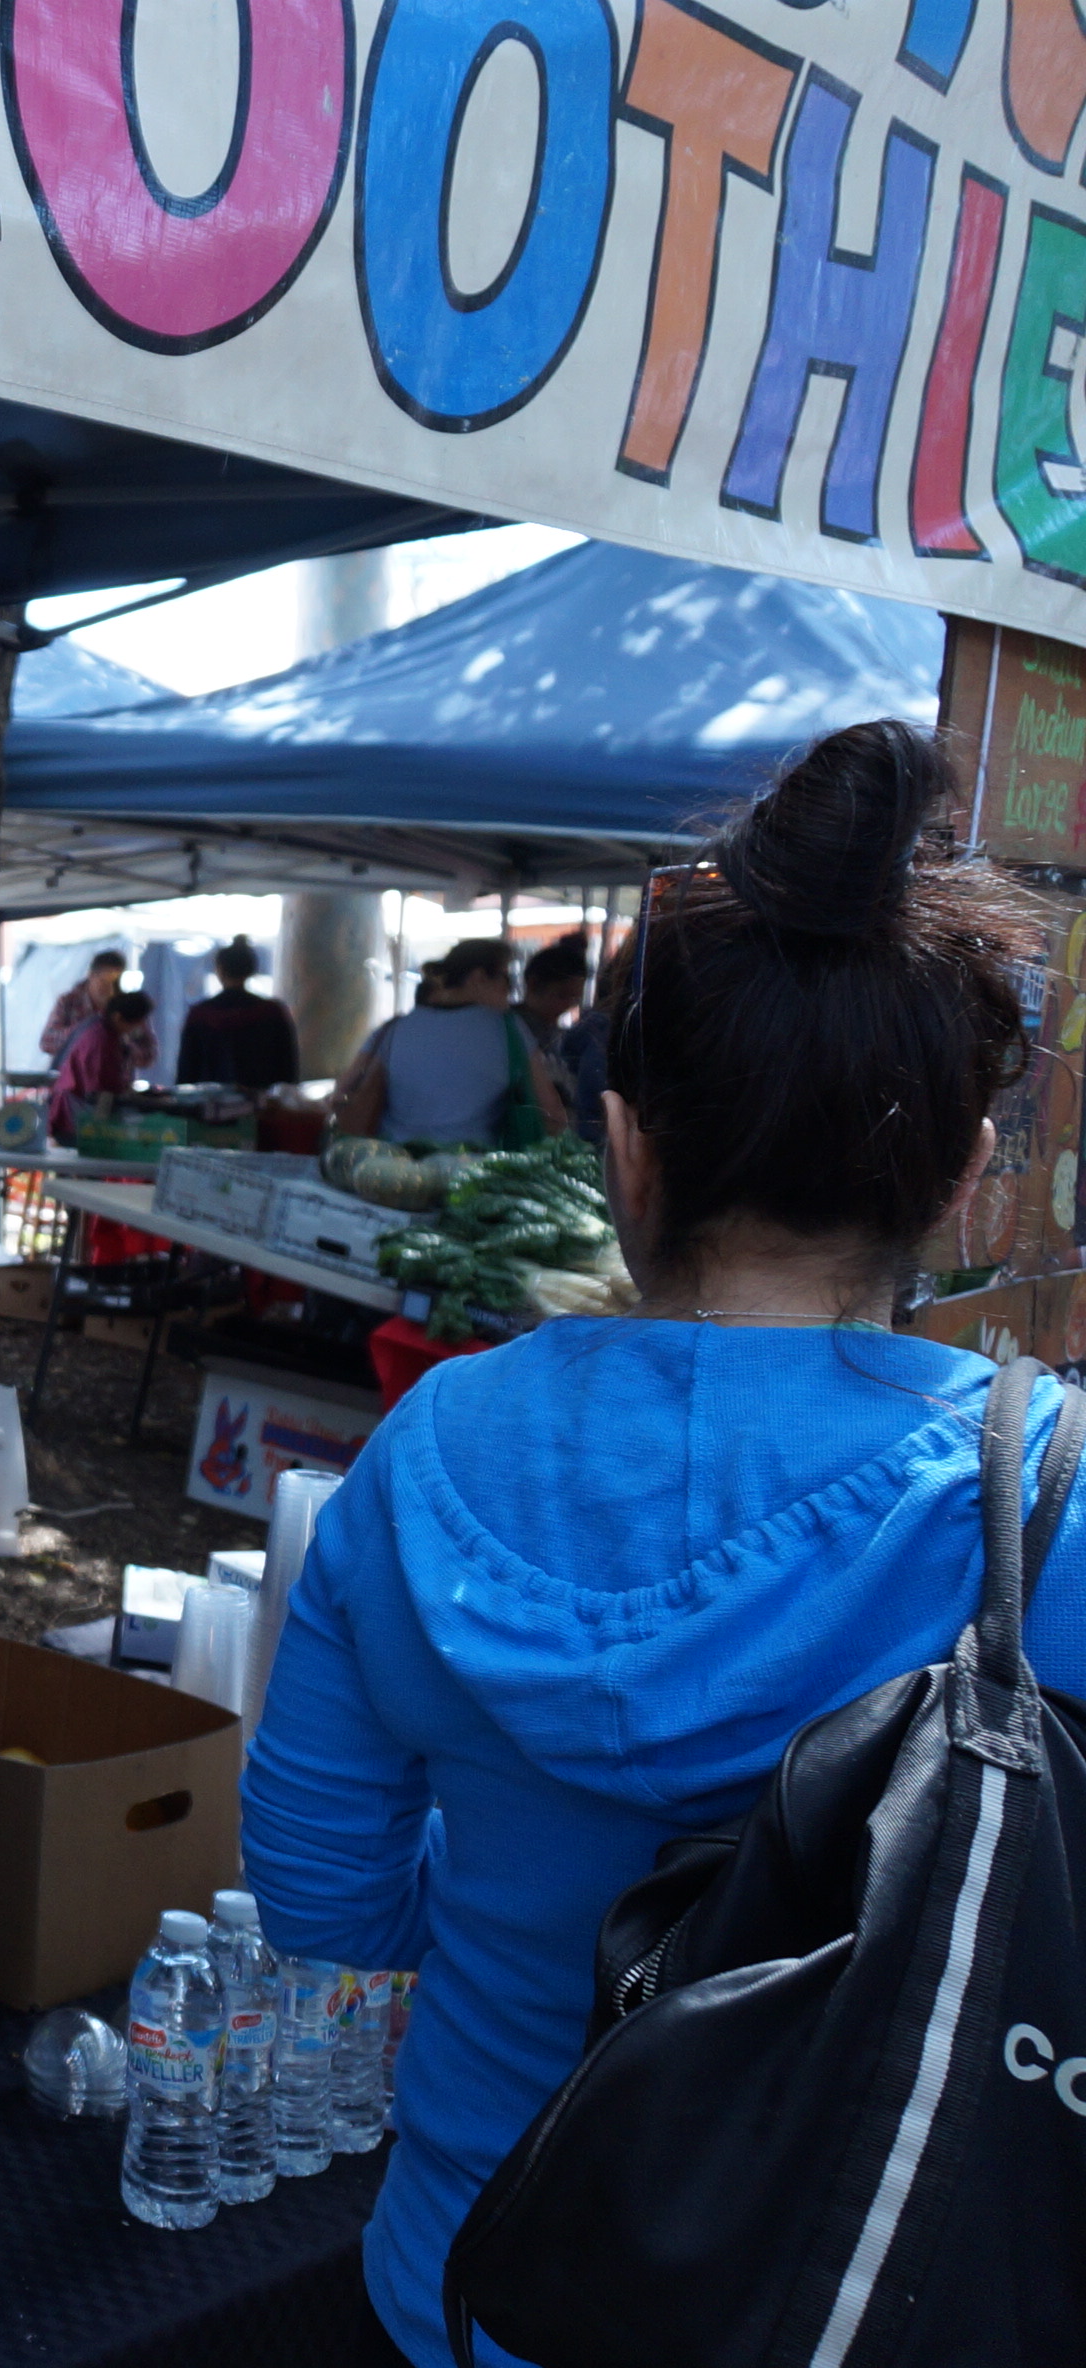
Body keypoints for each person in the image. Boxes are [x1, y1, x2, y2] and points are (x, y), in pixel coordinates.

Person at [240, 720, 1086, 2367]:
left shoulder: (429, 1447)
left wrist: (532, 1897)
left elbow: (324, 1897)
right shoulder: (1045, 1497)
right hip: (868, 2296)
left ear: (625, 1143)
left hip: (477, 2278)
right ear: (964, 1179)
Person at [334, 938, 566, 1144]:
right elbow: (551, 1111)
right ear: (478, 977)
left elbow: (343, 1090)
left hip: (391, 1162)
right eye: (507, 977)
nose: (511, 988)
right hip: (470, 1167)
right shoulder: (510, 1029)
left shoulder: (394, 1028)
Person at [172, 937, 302, 1091]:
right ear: (251, 969)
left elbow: (186, 1072)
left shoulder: (200, 1014)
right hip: (262, 1101)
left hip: (211, 1102)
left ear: (219, 970)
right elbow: (288, 1068)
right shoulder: (272, 1011)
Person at [45, 990, 154, 1142]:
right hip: (75, 1116)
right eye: (133, 1025)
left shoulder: (103, 1029)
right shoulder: (99, 1039)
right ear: (118, 1017)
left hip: (80, 1109)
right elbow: (98, 1090)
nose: (133, 1030)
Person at [518, 931, 592, 1105]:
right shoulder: (514, 1029)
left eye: (574, 999)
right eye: (562, 995)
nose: (567, 1005)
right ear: (533, 984)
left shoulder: (554, 1033)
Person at [38, 948, 126, 1063]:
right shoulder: (68, 1002)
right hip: (73, 1073)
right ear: (91, 975)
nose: (109, 989)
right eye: (104, 982)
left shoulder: (126, 1007)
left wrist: (122, 1043)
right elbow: (47, 1042)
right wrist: (83, 1033)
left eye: (115, 983)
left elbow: (146, 1054)